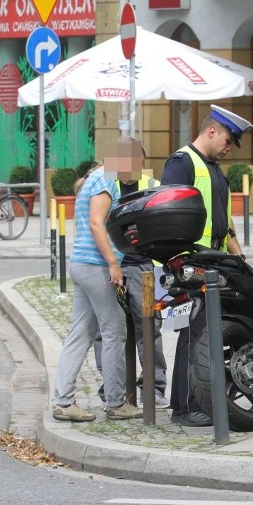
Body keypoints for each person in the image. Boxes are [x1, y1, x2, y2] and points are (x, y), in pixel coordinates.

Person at [160, 105, 250, 427]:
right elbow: (168, 211)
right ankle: (184, 408)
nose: (229, 148)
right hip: (192, 260)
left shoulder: (213, 167)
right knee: (192, 334)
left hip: (216, 261)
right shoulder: (182, 162)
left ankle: (201, 401)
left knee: (206, 334)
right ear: (211, 131)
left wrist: (237, 252)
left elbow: (223, 218)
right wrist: (177, 260)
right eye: (228, 140)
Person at [52, 139, 144, 422]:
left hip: (81, 264)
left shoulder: (93, 178)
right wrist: (114, 263)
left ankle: (64, 401)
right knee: (115, 332)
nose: (138, 171)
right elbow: (96, 222)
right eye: (137, 164)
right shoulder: (106, 179)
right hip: (96, 267)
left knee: (80, 334)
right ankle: (117, 403)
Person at [113, 137, 170, 409]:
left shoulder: (153, 187)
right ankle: (113, 388)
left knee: (149, 326)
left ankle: (154, 387)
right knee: (111, 330)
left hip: (144, 268)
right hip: (113, 266)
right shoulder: (106, 187)